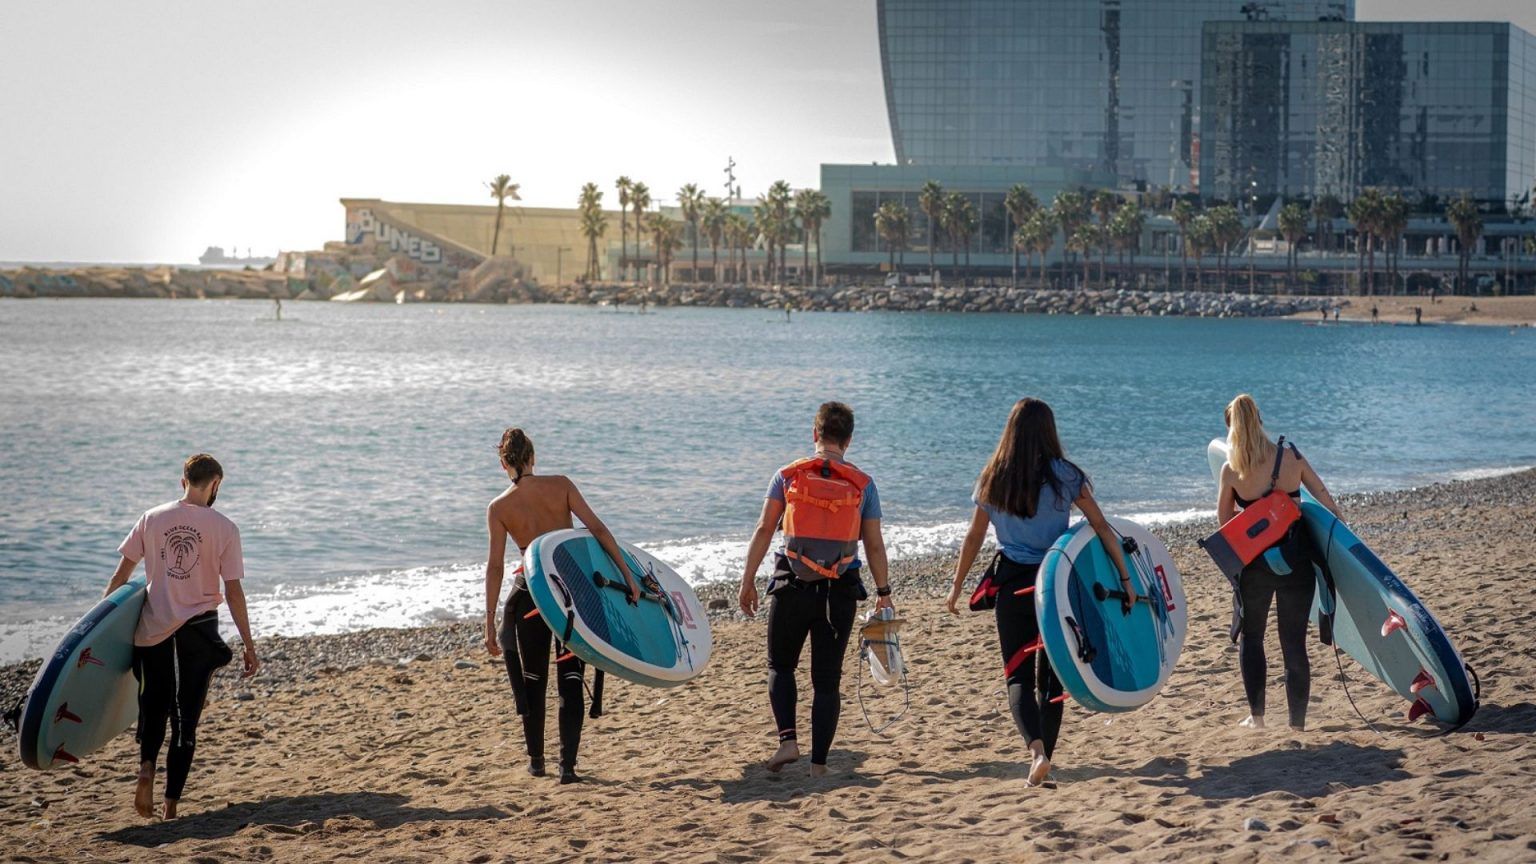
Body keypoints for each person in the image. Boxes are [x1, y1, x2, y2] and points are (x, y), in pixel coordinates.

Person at [944, 398, 1132, 787]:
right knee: (1053, 677)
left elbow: (975, 536)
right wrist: (1126, 578)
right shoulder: (1065, 475)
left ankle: (1037, 753)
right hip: (1056, 582)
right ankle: (1048, 760)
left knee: (1017, 676)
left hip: (1013, 583)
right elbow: (1100, 526)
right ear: (1049, 431)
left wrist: (958, 585)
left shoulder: (992, 477)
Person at [739, 402, 893, 777]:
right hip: (839, 592)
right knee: (826, 681)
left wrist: (747, 581)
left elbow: (763, 529)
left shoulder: (787, 476)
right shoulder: (863, 484)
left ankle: (788, 741)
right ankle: (819, 765)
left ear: (815, 435)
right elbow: (873, 544)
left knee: (781, 665)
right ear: (849, 440)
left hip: (791, 586)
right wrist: (884, 591)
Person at [101, 454, 259, 820]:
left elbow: (119, 578)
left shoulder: (151, 518)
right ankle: (171, 807)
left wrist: (96, 630)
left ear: (182, 481)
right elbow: (233, 591)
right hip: (198, 632)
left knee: (153, 705)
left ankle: (145, 768)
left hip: (151, 631)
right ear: (216, 484)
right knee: (186, 718)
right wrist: (249, 645)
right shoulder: (225, 528)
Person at [483, 428, 639, 784]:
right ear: (532, 457)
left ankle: (536, 762)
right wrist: (628, 576)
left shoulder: (499, 507)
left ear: (503, 462)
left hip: (532, 595)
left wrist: (490, 621)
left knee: (533, 677)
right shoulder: (562, 485)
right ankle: (568, 767)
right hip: (572, 591)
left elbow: (495, 567)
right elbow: (598, 530)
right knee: (571, 678)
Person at [1216, 394, 1343, 731]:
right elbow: (1323, 496)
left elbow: (1225, 525)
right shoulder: (1291, 457)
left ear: (1231, 429)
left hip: (1256, 567)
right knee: (1293, 642)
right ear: (1259, 418)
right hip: (1297, 561)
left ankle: (1257, 718)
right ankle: (1296, 724)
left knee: (1253, 637)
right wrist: (1340, 527)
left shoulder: (1232, 471)